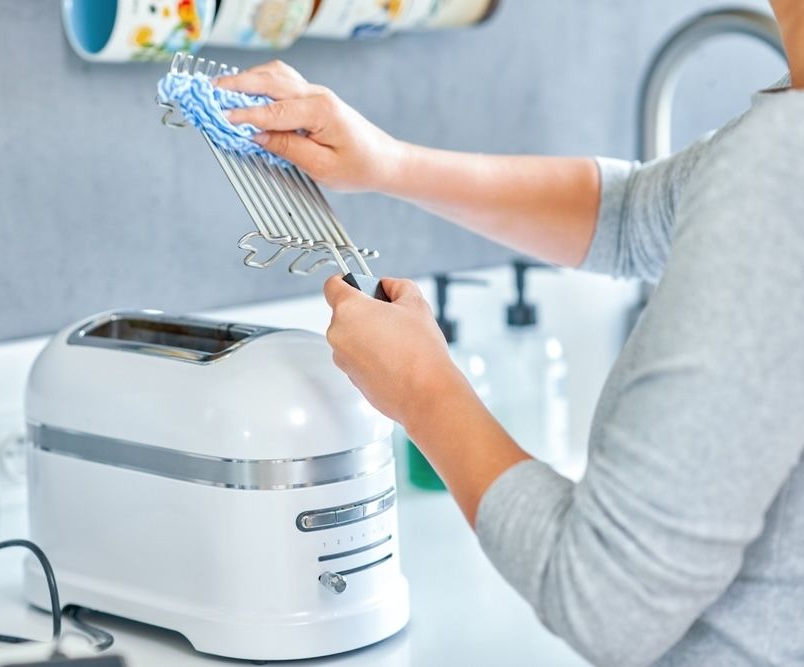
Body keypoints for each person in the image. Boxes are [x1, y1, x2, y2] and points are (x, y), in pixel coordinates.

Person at [215, 2, 804, 666]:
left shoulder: (784, 165)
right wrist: (388, 162)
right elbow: (635, 213)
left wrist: (423, 390)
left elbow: (607, 597)